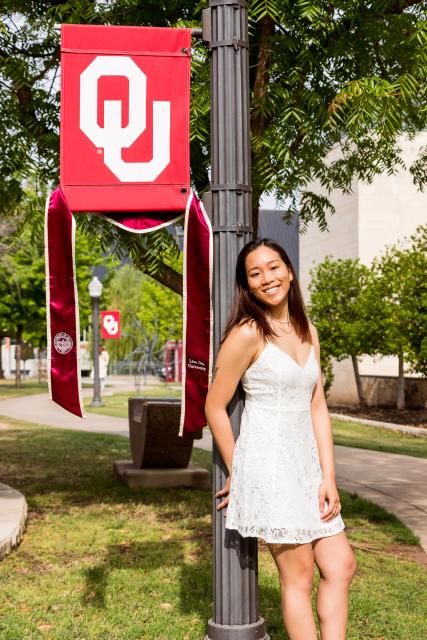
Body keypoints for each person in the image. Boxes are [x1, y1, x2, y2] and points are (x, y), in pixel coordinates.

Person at [205, 238, 356, 640]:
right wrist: (241, 471)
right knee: (299, 577)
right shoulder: (247, 333)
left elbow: (317, 406)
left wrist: (329, 476)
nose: (267, 278)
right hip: (269, 469)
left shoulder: (308, 331)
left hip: (306, 468)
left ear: (289, 271)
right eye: (255, 274)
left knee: (341, 566)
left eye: (273, 268)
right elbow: (214, 406)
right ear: (248, 286)